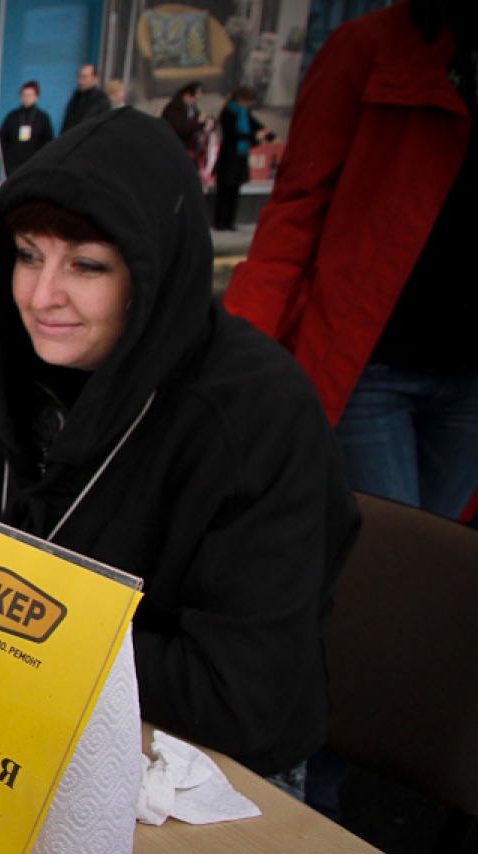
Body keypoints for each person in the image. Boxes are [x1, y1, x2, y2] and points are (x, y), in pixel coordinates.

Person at [0, 110, 358, 783]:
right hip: (27, 724)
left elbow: (239, 695)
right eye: (27, 255)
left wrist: (5, 632)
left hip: (207, 774)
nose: (41, 295)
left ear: (152, 273)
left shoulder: (256, 417)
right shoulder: (15, 380)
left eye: (87, 265)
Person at [225, 0, 478, 521]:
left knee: (442, 551)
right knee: (385, 547)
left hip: (469, 380)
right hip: (369, 369)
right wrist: (237, 353)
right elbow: (295, 211)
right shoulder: (367, 48)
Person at [213, 87, 271, 231]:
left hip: (241, 155)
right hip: (230, 155)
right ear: (241, 99)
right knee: (225, 191)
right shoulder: (228, 112)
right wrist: (253, 136)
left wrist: (269, 136)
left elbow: (256, 125)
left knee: (235, 190)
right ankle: (219, 221)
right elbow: (232, 134)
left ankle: (230, 221)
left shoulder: (245, 112)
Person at [0, 80, 54, 176]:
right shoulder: (12, 116)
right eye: (24, 95)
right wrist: (3, 159)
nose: (26, 98)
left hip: (35, 163)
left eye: (30, 95)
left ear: (37, 97)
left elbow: (48, 141)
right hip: (13, 164)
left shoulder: (42, 118)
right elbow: (3, 139)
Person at [160, 80, 214, 176]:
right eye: (194, 98)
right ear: (187, 95)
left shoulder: (191, 108)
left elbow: (194, 125)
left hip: (190, 149)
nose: (195, 101)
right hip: (177, 149)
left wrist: (206, 124)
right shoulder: (173, 109)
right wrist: (197, 122)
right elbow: (180, 128)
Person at [61, 63, 111, 132]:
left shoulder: (101, 101)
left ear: (95, 79)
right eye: (79, 77)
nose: (80, 81)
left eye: (85, 77)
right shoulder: (75, 98)